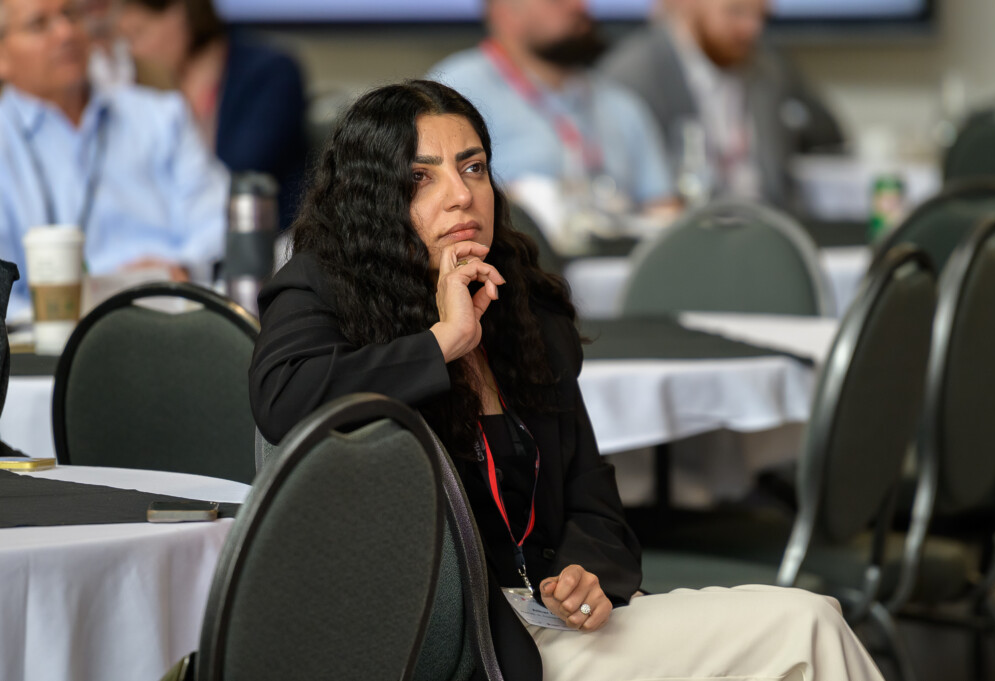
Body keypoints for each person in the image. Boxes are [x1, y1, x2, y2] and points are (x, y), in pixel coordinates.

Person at [249, 79, 886, 681]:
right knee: (807, 630)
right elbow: (284, 402)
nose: (461, 194)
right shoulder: (322, 288)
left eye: (473, 168)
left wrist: (586, 571)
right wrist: (443, 343)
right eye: (420, 177)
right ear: (372, 202)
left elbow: (594, 503)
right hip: (451, 645)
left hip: (553, 623)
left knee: (811, 623)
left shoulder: (525, 311)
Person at [0, 0, 229, 320]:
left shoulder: (162, 117)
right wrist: (66, 311)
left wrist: (181, 269)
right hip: (47, 345)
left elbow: (218, 224)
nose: (65, 32)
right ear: (2, 57)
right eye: (39, 25)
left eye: (70, 14)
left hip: (173, 317)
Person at [426, 0, 678, 215]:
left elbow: (663, 209)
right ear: (506, 13)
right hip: (510, 265)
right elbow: (432, 197)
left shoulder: (622, 104)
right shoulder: (455, 90)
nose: (577, 6)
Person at [600, 0, 845, 208]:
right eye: (735, 12)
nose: (752, 29)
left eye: (762, 16)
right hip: (691, 240)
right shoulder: (633, 76)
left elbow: (830, 134)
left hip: (767, 230)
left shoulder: (769, 67)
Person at [118, 0, 308, 227]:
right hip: (179, 241)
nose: (134, 51)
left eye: (138, 33)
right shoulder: (143, 88)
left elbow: (241, 174)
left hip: (265, 241)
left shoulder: (271, 72)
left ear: (180, 15)